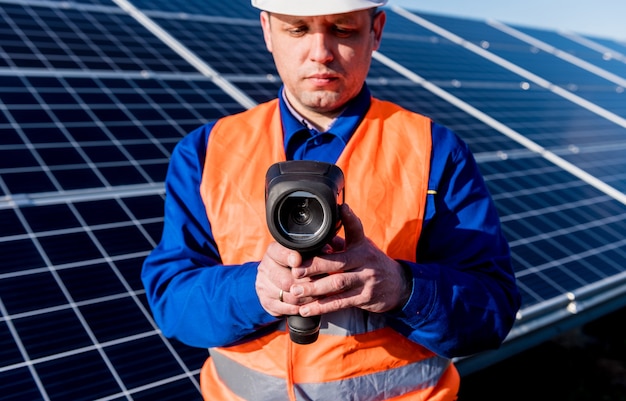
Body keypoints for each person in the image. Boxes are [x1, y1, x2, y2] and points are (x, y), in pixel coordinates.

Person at [142, 0, 522, 399]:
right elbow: (172, 299)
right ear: (267, 29)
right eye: (297, 29)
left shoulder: (436, 151)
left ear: (376, 31)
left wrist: (402, 288)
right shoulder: (205, 152)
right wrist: (253, 290)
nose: (320, 52)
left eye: (343, 29)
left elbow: (491, 311)